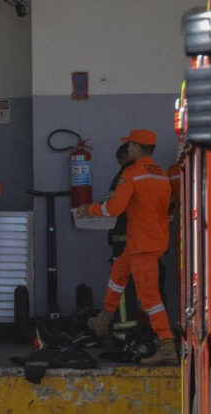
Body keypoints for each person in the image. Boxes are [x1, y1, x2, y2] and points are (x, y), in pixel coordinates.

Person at [76, 129, 177, 366]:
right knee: (118, 273)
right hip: (151, 242)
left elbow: (114, 208)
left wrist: (87, 209)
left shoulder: (131, 174)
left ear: (137, 148)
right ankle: (103, 319)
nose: (127, 149)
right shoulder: (162, 175)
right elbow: (169, 209)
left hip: (141, 244)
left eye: (129, 146)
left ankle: (167, 345)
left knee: (149, 298)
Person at [105, 144, 139, 333]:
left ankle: (124, 334)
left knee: (122, 286)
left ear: (124, 157)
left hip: (122, 238)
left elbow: (113, 206)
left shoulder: (125, 176)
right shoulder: (154, 174)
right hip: (147, 240)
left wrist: (94, 209)